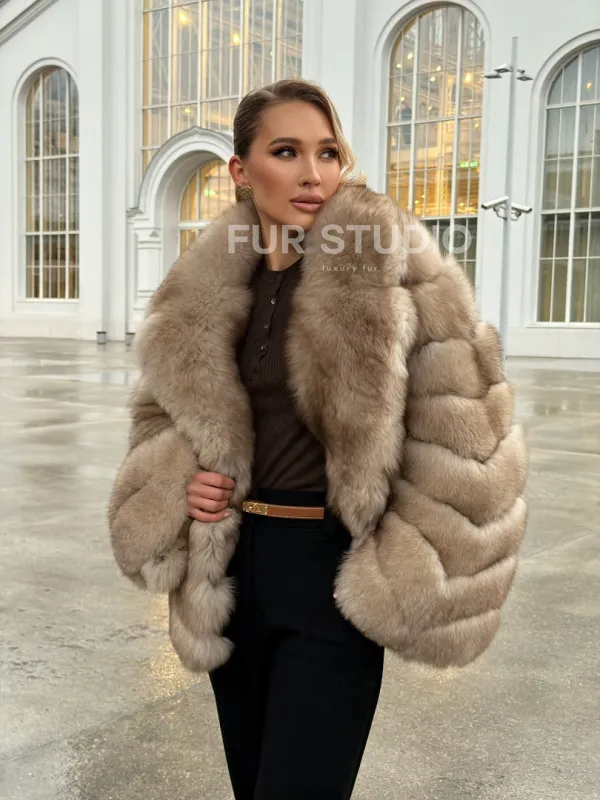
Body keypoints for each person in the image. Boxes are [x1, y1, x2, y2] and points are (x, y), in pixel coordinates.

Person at [108, 79, 527, 799]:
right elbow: (159, 421)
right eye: (286, 152)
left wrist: (397, 571)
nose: (313, 174)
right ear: (241, 170)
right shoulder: (202, 285)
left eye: (327, 153)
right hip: (231, 575)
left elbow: (471, 436)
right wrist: (183, 485)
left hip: (331, 575)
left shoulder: (389, 266)